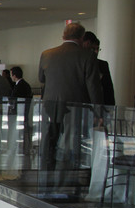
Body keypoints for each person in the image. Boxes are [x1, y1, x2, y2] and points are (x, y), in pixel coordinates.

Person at [38, 22, 102, 179]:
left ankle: (45, 174)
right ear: (81, 37)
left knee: (48, 141)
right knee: (71, 143)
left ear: (63, 35)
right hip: (75, 108)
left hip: (49, 106)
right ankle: (66, 178)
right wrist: (99, 112)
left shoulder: (47, 54)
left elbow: (41, 78)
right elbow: (93, 87)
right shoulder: (87, 56)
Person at [82, 31, 116, 106]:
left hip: (101, 106)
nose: (96, 52)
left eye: (97, 49)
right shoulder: (80, 65)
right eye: (93, 49)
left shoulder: (103, 65)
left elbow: (109, 91)